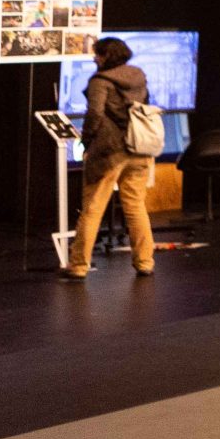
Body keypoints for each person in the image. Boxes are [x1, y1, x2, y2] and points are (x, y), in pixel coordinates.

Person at [63, 37, 155, 280]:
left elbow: (94, 114)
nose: (94, 58)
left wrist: (86, 140)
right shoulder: (138, 75)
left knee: (93, 209)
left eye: (98, 54)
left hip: (109, 152)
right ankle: (145, 262)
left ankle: (78, 265)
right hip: (139, 148)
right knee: (136, 207)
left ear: (107, 56)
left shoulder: (100, 81)